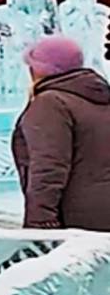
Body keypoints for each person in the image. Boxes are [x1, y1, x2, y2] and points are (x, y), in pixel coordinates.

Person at [12, 34, 110, 230]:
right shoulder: (101, 97)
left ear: (39, 69)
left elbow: (49, 166)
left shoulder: (51, 104)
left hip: (81, 221)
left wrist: (40, 220)